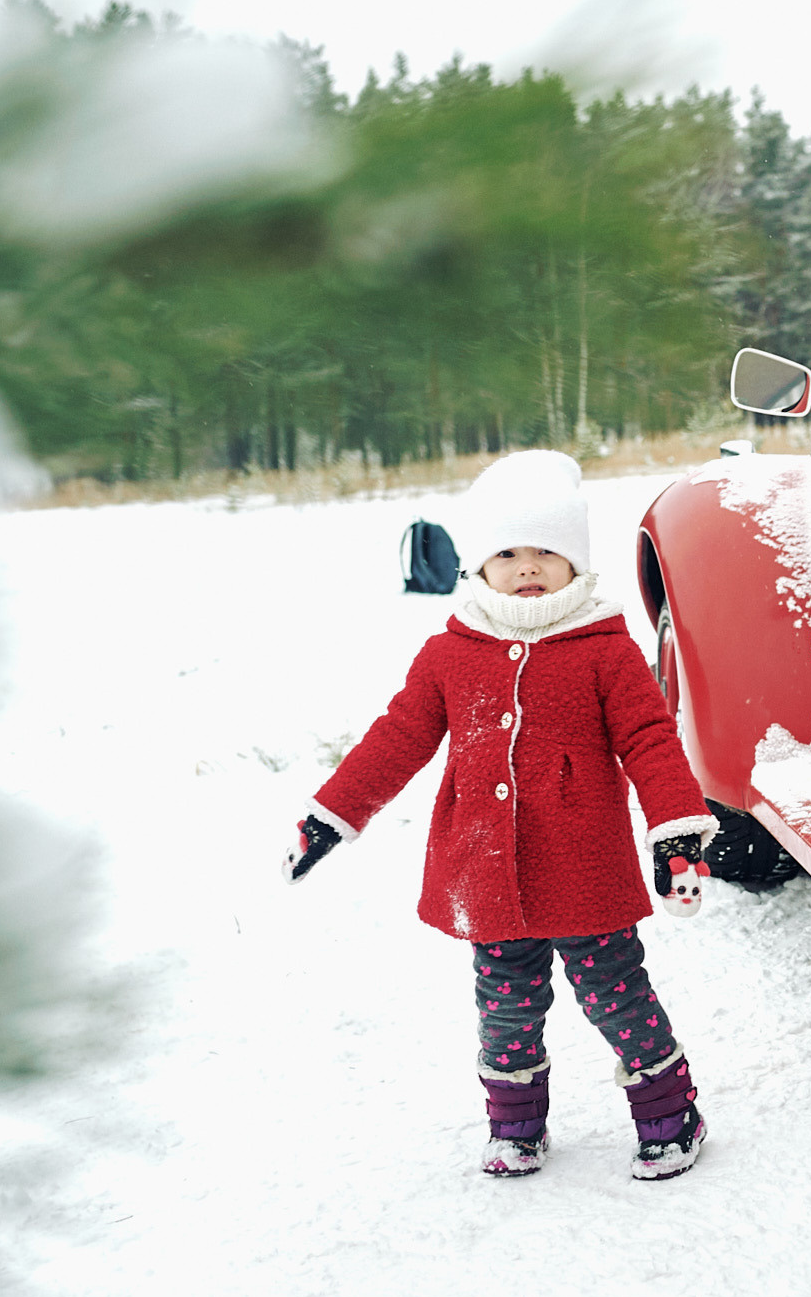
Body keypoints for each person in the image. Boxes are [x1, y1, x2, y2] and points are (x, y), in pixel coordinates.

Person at [280, 450, 718, 1181]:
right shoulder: (450, 653)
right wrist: (333, 813)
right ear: (479, 563)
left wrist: (675, 831)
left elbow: (650, 740)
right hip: (486, 876)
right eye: (508, 552)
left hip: (583, 873)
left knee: (617, 997)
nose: (527, 567)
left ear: (575, 560)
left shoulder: (606, 650)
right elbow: (398, 738)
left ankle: (671, 1116)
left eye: (546, 550)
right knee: (506, 1009)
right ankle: (516, 1127)